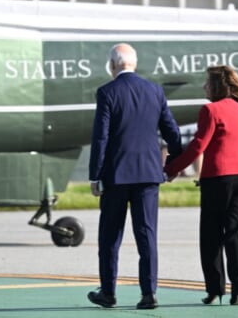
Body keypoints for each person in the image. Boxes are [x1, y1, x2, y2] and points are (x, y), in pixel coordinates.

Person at [87, 43, 182, 310]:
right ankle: (149, 292)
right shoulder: (155, 91)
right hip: (149, 175)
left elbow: (101, 136)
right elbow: (171, 132)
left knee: (109, 237)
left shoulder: (107, 92)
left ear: (112, 65)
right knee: (146, 235)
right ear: (134, 64)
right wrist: (173, 163)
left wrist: (95, 175)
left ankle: (108, 292)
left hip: (116, 175)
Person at [164, 65, 238, 306]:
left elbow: (197, 146)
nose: (204, 86)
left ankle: (215, 289)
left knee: (211, 236)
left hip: (218, 180)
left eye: (207, 82)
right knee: (236, 235)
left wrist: (171, 169)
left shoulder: (210, 110)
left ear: (216, 86)